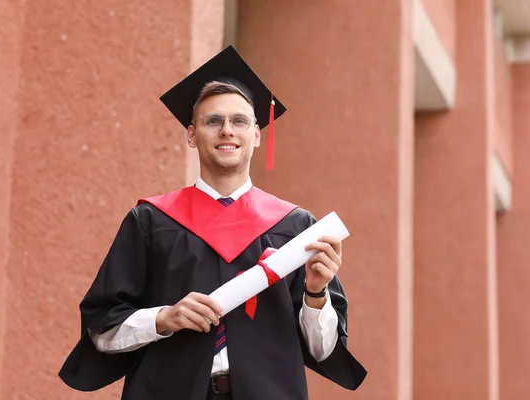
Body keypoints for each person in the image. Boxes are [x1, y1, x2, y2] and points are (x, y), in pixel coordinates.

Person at [59, 45, 366, 400]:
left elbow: (323, 350)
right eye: (213, 121)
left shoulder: (296, 229)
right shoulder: (150, 221)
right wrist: (163, 319)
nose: (226, 131)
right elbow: (103, 332)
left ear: (256, 135)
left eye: (239, 121)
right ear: (192, 135)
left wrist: (315, 292)